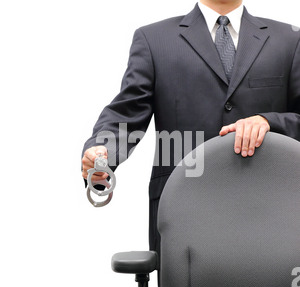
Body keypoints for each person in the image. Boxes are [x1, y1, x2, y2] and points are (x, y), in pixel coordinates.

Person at [82, 0, 300, 255]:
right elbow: (127, 113)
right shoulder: (154, 40)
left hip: (272, 213)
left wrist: (268, 121)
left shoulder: (289, 39)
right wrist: (102, 154)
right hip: (182, 213)